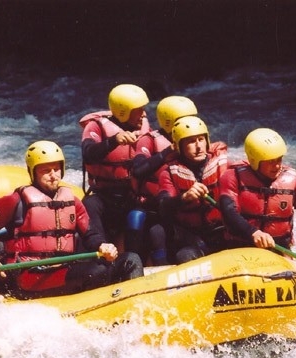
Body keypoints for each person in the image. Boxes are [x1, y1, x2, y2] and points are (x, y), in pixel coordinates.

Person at [0, 140, 143, 299]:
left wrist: (102, 245)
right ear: (32, 172)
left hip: (65, 268)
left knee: (131, 260)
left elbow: (90, 234)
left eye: (56, 169)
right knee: (96, 272)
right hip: (31, 275)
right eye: (46, 171)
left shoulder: (72, 201)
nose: (53, 175)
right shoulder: (16, 201)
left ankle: (135, 306)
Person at [218, 128, 296, 275]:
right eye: (270, 161)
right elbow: (229, 212)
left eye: (279, 159)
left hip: (278, 252)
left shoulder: (293, 184)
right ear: (254, 160)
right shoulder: (232, 177)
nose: (277, 166)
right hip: (239, 248)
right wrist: (253, 232)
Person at [79, 84, 150, 254]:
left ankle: (137, 259)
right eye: (138, 110)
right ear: (123, 111)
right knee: (89, 205)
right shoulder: (96, 126)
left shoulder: (143, 128)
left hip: (131, 196)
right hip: (104, 196)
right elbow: (88, 153)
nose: (144, 114)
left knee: (142, 214)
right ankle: (101, 256)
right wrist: (114, 141)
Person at [131, 95, 198, 264]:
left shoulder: (196, 141)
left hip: (186, 205)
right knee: (150, 228)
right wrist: (167, 152)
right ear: (169, 122)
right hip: (155, 205)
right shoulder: (150, 140)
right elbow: (138, 170)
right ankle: (137, 265)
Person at [156, 116, 229, 264]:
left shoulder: (224, 165)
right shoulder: (168, 172)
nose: (198, 146)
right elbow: (163, 205)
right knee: (184, 256)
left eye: (201, 139)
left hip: (223, 232)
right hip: (192, 236)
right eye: (191, 141)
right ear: (179, 146)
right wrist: (184, 197)